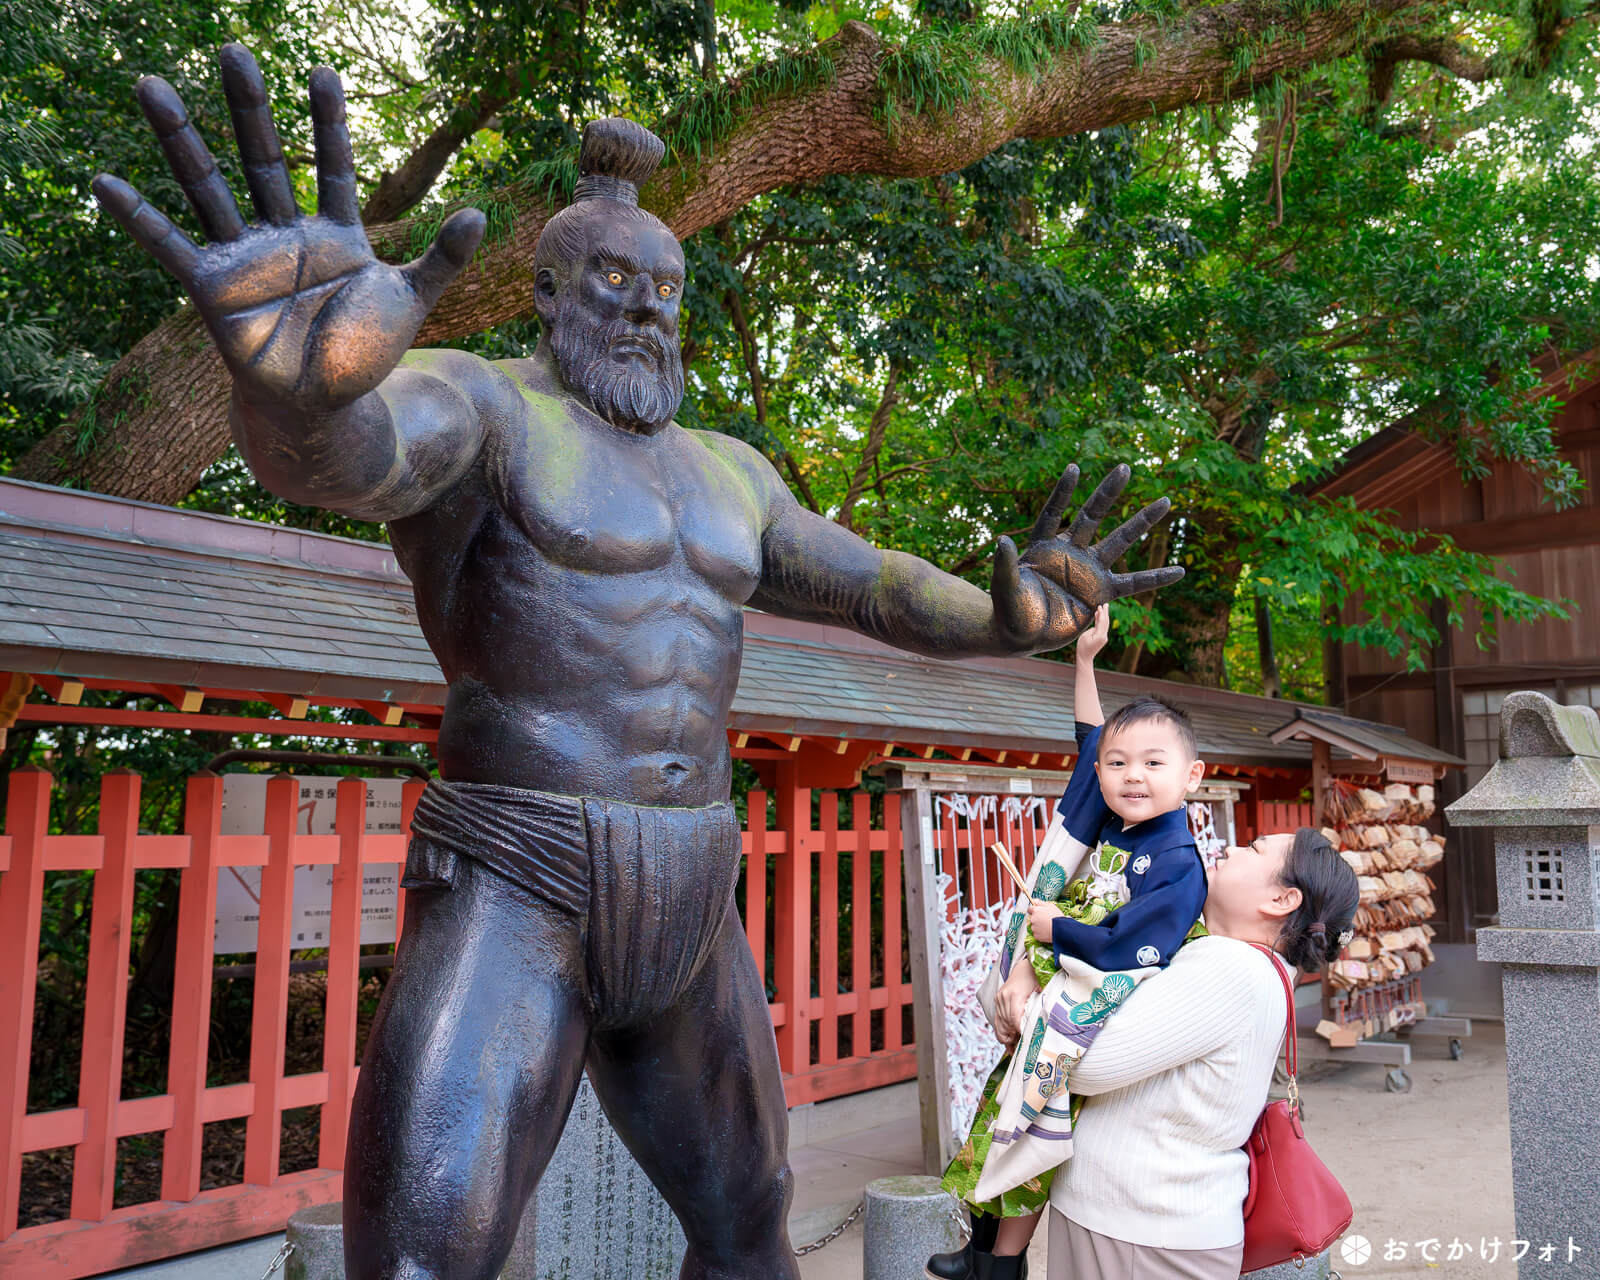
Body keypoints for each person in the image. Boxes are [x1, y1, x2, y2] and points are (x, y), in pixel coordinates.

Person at [91, 47, 1189, 1280]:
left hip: (687, 876)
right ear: (549, 290)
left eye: (665, 283)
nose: (645, 304)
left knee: (747, 1218)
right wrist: (298, 400)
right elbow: (355, 455)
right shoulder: (485, 404)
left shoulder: (731, 471)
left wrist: (1008, 617)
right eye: (612, 277)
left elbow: (876, 581)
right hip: (519, 869)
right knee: (421, 1248)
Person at [930, 605, 1209, 1280]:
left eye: (1151, 762)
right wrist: (1084, 660)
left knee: (1031, 1128)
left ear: (1192, 777)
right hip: (1059, 975)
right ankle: (981, 1247)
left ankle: (1003, 1264)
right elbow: (1092, 737)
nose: (1129, 775)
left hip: (1093, 1011)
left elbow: (1136, 949)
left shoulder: (1176, 860)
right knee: (999, 1113)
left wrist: (1058, 935)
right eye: (1118, 764)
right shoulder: (1111, 823)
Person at [1004, 827, 1359, 1280]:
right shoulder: (1252, 969)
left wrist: (1026, 998)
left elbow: (1082, 1066)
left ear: (1281, 900)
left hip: (1141, 1228)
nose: (1231, 848)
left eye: (1254, 849)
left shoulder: (1230, 969)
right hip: (1144, 1223)